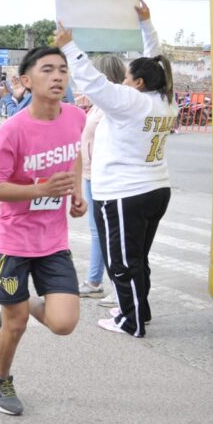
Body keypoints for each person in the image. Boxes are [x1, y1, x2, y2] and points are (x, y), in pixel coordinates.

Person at [56, 0, 174, 337]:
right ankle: (141, 310)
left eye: (125, 77)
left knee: (122, 262)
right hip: (155, 188)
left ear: (137, 83)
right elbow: (157, 62)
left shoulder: (130, 102)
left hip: (126, 192)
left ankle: (130, 320)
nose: (121, 81)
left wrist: (69, 46)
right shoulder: (164, 99)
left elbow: (93, 83)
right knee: (138, 256)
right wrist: (146, 25)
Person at [0, 46, 86, 416]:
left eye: (62, 70)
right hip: (13, 241)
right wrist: (41, 190)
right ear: (27, 81)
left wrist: (75, 192)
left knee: (64, 323)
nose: (58, 76)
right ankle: (0, 380)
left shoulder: (75, 117)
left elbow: (74, 157)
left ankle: (18, 305)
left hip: (53, 240)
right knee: (16, 324)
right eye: (47, 70)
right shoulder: (13, 130)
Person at [77, 54, 126, 301]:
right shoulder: (99, 102)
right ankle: (95, 280)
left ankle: (118, 287)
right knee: (97, 231)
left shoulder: (113, 104)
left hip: (103, 176)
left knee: (110, 233)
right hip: (90, 175)